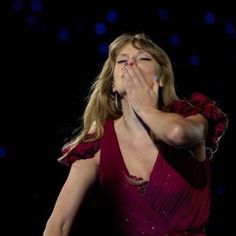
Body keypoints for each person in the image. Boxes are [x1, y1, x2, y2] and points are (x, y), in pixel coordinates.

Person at [43, 33, 228, 236]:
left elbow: (177, 134)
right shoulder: (96, 144)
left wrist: (143, 107)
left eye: (144, 58)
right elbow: (58, 225)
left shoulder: (192, 116)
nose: (130, 63)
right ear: (112, 83)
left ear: (162, 78)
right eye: (122, 60)